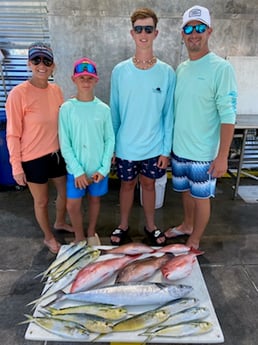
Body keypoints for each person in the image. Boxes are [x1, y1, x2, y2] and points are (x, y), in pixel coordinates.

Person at [165, 5, 237, 249]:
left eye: (199, 28)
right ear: (182, 34)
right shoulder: (181, 69)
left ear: (209, 31)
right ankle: (187, 225)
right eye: (188, 28)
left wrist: (222, 156)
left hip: (204, 154)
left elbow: (228, 116)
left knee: (201, 198)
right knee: (186, 193)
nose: (193, 33)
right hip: (180, 150)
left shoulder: (221, 68)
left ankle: (194, 240)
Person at [110, 8, 176, 246]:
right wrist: (113, 147)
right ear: (132, 33)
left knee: (149, 185)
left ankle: (151, 226)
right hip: (126, 146)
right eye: (139, 29)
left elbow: (169, 114)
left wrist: (165, 150)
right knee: (127, 185)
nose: (143, 34)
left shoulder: (167, 73)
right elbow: (115, 112)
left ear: (156, 33)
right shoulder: (120, 71)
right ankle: (123, 225)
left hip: (154, 145)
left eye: (148, 29)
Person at [6, 41, 73, 254]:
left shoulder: (57, 90)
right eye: (36, 60)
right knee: (42, 201)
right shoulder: (18, 94)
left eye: (46, 61)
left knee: (66, 193)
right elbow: (13, 133)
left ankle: (60, 222)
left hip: (56, 153)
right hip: (33, 158)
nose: (41, 65)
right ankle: (48, 237)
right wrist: (16, 166)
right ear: (29, 64)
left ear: (53, 66)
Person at [58, 57, 115, 245]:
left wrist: (103, 168)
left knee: (95, 200)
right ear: (73, 79)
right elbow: (64, 143)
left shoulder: (103, 109)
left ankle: (91, 232)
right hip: (76, 170)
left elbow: (109, 139)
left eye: (89, 78)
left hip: (98, 168)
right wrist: (77, 171)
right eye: (81, 78)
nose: (85, 82)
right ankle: (79, 236)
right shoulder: (67, 109)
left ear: (96, 80)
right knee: (72, 204)